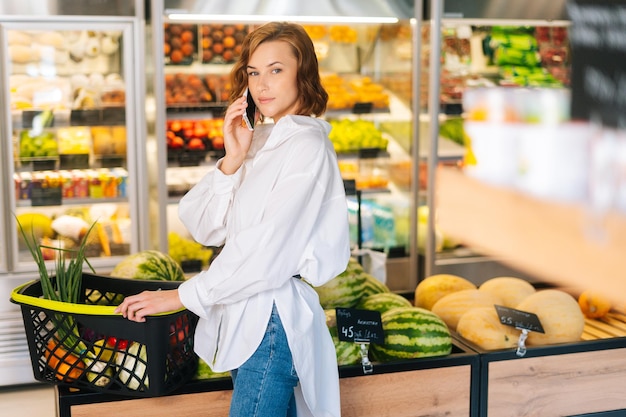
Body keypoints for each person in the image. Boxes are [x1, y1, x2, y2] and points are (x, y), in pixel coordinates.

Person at [115, 21, 351, 417]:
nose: (262, 85)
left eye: (276, 70)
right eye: (254, 73)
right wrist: (233, 160)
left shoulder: (307, 145)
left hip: (271, 324)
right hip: (246, 315)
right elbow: (203, 225)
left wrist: (179, 297)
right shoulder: (263, 141)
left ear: (303, 73)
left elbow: (266, 250)